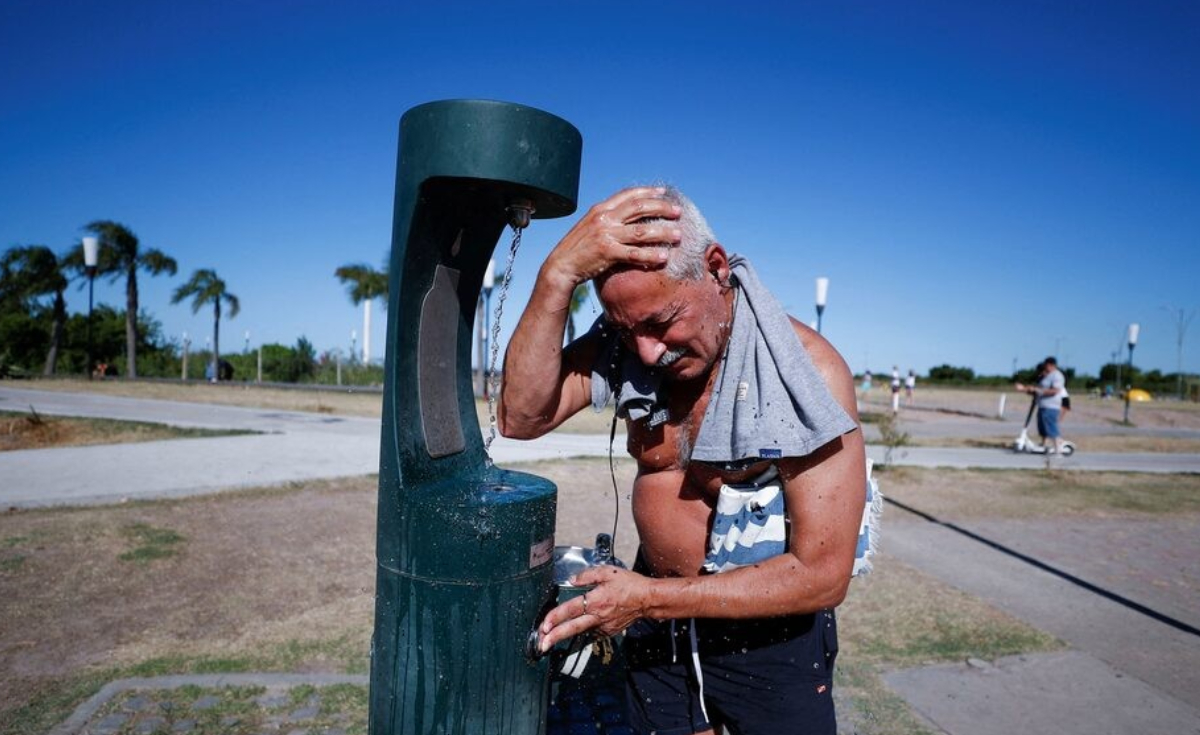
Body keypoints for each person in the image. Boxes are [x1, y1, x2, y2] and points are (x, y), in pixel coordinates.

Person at [500, 186, 866, 735]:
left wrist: (648, 600)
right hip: (657, 629)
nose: (647, 351)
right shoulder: (627, 344)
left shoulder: (807, 373)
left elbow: (822, 576)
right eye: (628, 330)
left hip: (767, 641)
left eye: (661, 320)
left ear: (716, 268)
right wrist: (557, 274)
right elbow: (520, 417)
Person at [1016, 356, 1067, 454]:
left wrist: (1036, 390)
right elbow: (1039, 390)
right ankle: (1044, 445)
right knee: (1042, 427)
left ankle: (1058, 449)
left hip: (1051, 406)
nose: (1045, 367)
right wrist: (1025, 389)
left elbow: (1055, 391)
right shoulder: (1046, 376)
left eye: (1046, 365)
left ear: (1052, 365)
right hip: (1042, 405)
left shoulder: (1057, 376)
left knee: (1051, 427)